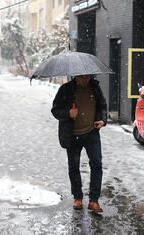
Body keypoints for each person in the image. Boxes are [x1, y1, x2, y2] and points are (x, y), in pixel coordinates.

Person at [51, 74, 107, 213]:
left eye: (87, 77)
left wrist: (103, 120)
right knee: (74, 167)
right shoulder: (66, 89)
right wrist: (68, 113)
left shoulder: (95, 87)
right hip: (73, 134)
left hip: (91, 133)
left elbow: (102, 105)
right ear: (75, 76)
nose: (84, 80)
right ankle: (78, 197)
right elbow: (55, 110)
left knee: (97, 165)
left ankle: (94, 200)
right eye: (81, 77)